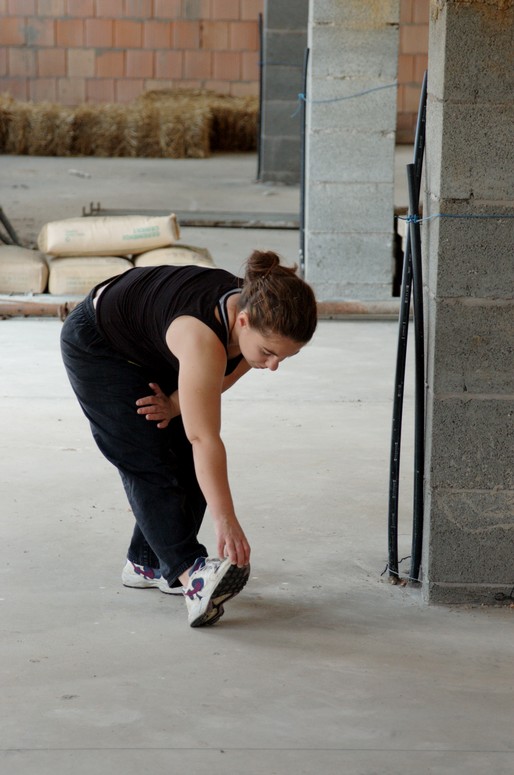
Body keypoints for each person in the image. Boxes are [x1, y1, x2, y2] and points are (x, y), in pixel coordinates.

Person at [60, 250, 318, 627]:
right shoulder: (203, 335)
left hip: (152, 346)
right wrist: (225, 519)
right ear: (242, 321)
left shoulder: (258, 318)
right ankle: (191, 574)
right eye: (268, 353)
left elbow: (217, 381)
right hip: (99, 344)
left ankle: (147, 563)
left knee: (185, 456)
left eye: (284, 357)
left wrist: (175, 404)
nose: (273, 365)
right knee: (147, 458)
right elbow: (205, 438)